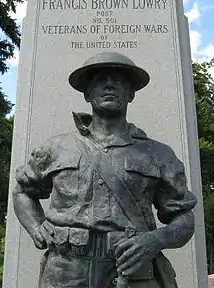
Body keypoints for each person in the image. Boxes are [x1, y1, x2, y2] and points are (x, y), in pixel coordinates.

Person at [13, 52, 197, 288]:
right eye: (100, 80)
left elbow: (184, 218)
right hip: (66, 271)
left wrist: (153, 241)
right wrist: (36, 227)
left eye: (119, 81)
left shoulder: (159, 154)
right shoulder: (57, 148)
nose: (109, 85)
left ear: (130, 94)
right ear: (87, 93)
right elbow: (23, 191)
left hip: (131, 272)